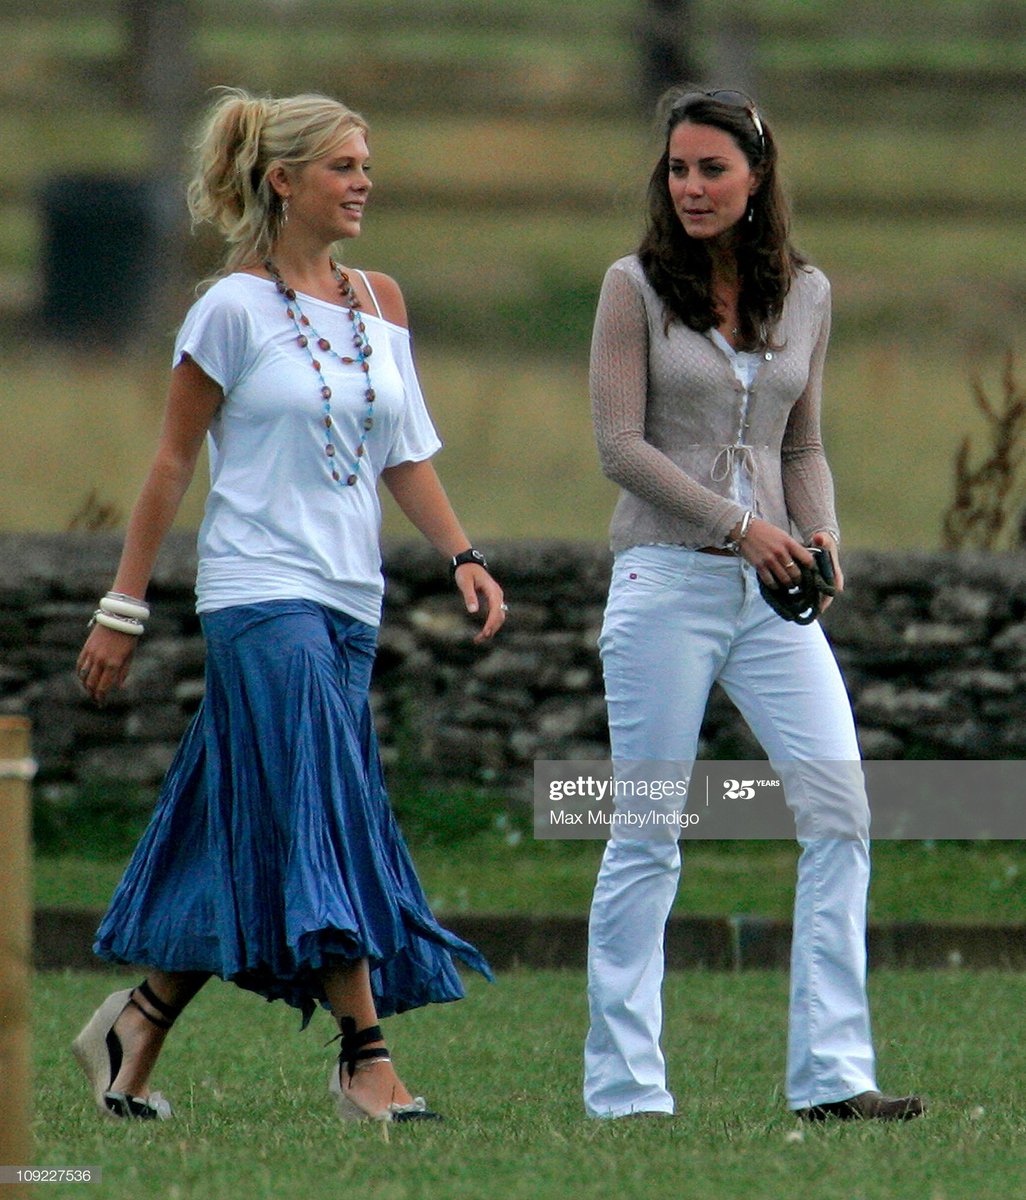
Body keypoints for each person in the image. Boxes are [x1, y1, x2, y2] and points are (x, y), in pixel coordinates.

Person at [72, 88, 506, 1127]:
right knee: (328, 810)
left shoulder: (380, 302)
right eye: (346, 165)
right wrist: (122, 609)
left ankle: (135, 1024)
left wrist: (462, 556)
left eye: (369, 164)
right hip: (261, 598)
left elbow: (405, 453)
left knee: (249, 822)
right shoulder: (228, 309)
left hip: (351, 600)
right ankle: (366, 1055)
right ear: (285, 180)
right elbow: (174, 462)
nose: (366, 181)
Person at [584, 86, 924, 1122]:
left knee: (839, 812)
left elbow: (801, 445)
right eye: (678, 170)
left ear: (758, 177)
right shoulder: (632, 286)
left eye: (711, 170)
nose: (690, 187)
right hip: (665, 582)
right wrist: (741, 528)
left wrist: (821, 540)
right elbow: (621, 447)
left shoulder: (807, 294)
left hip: (773, 597)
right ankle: (627, 1090)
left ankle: (833, 1080)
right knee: (648, 829)